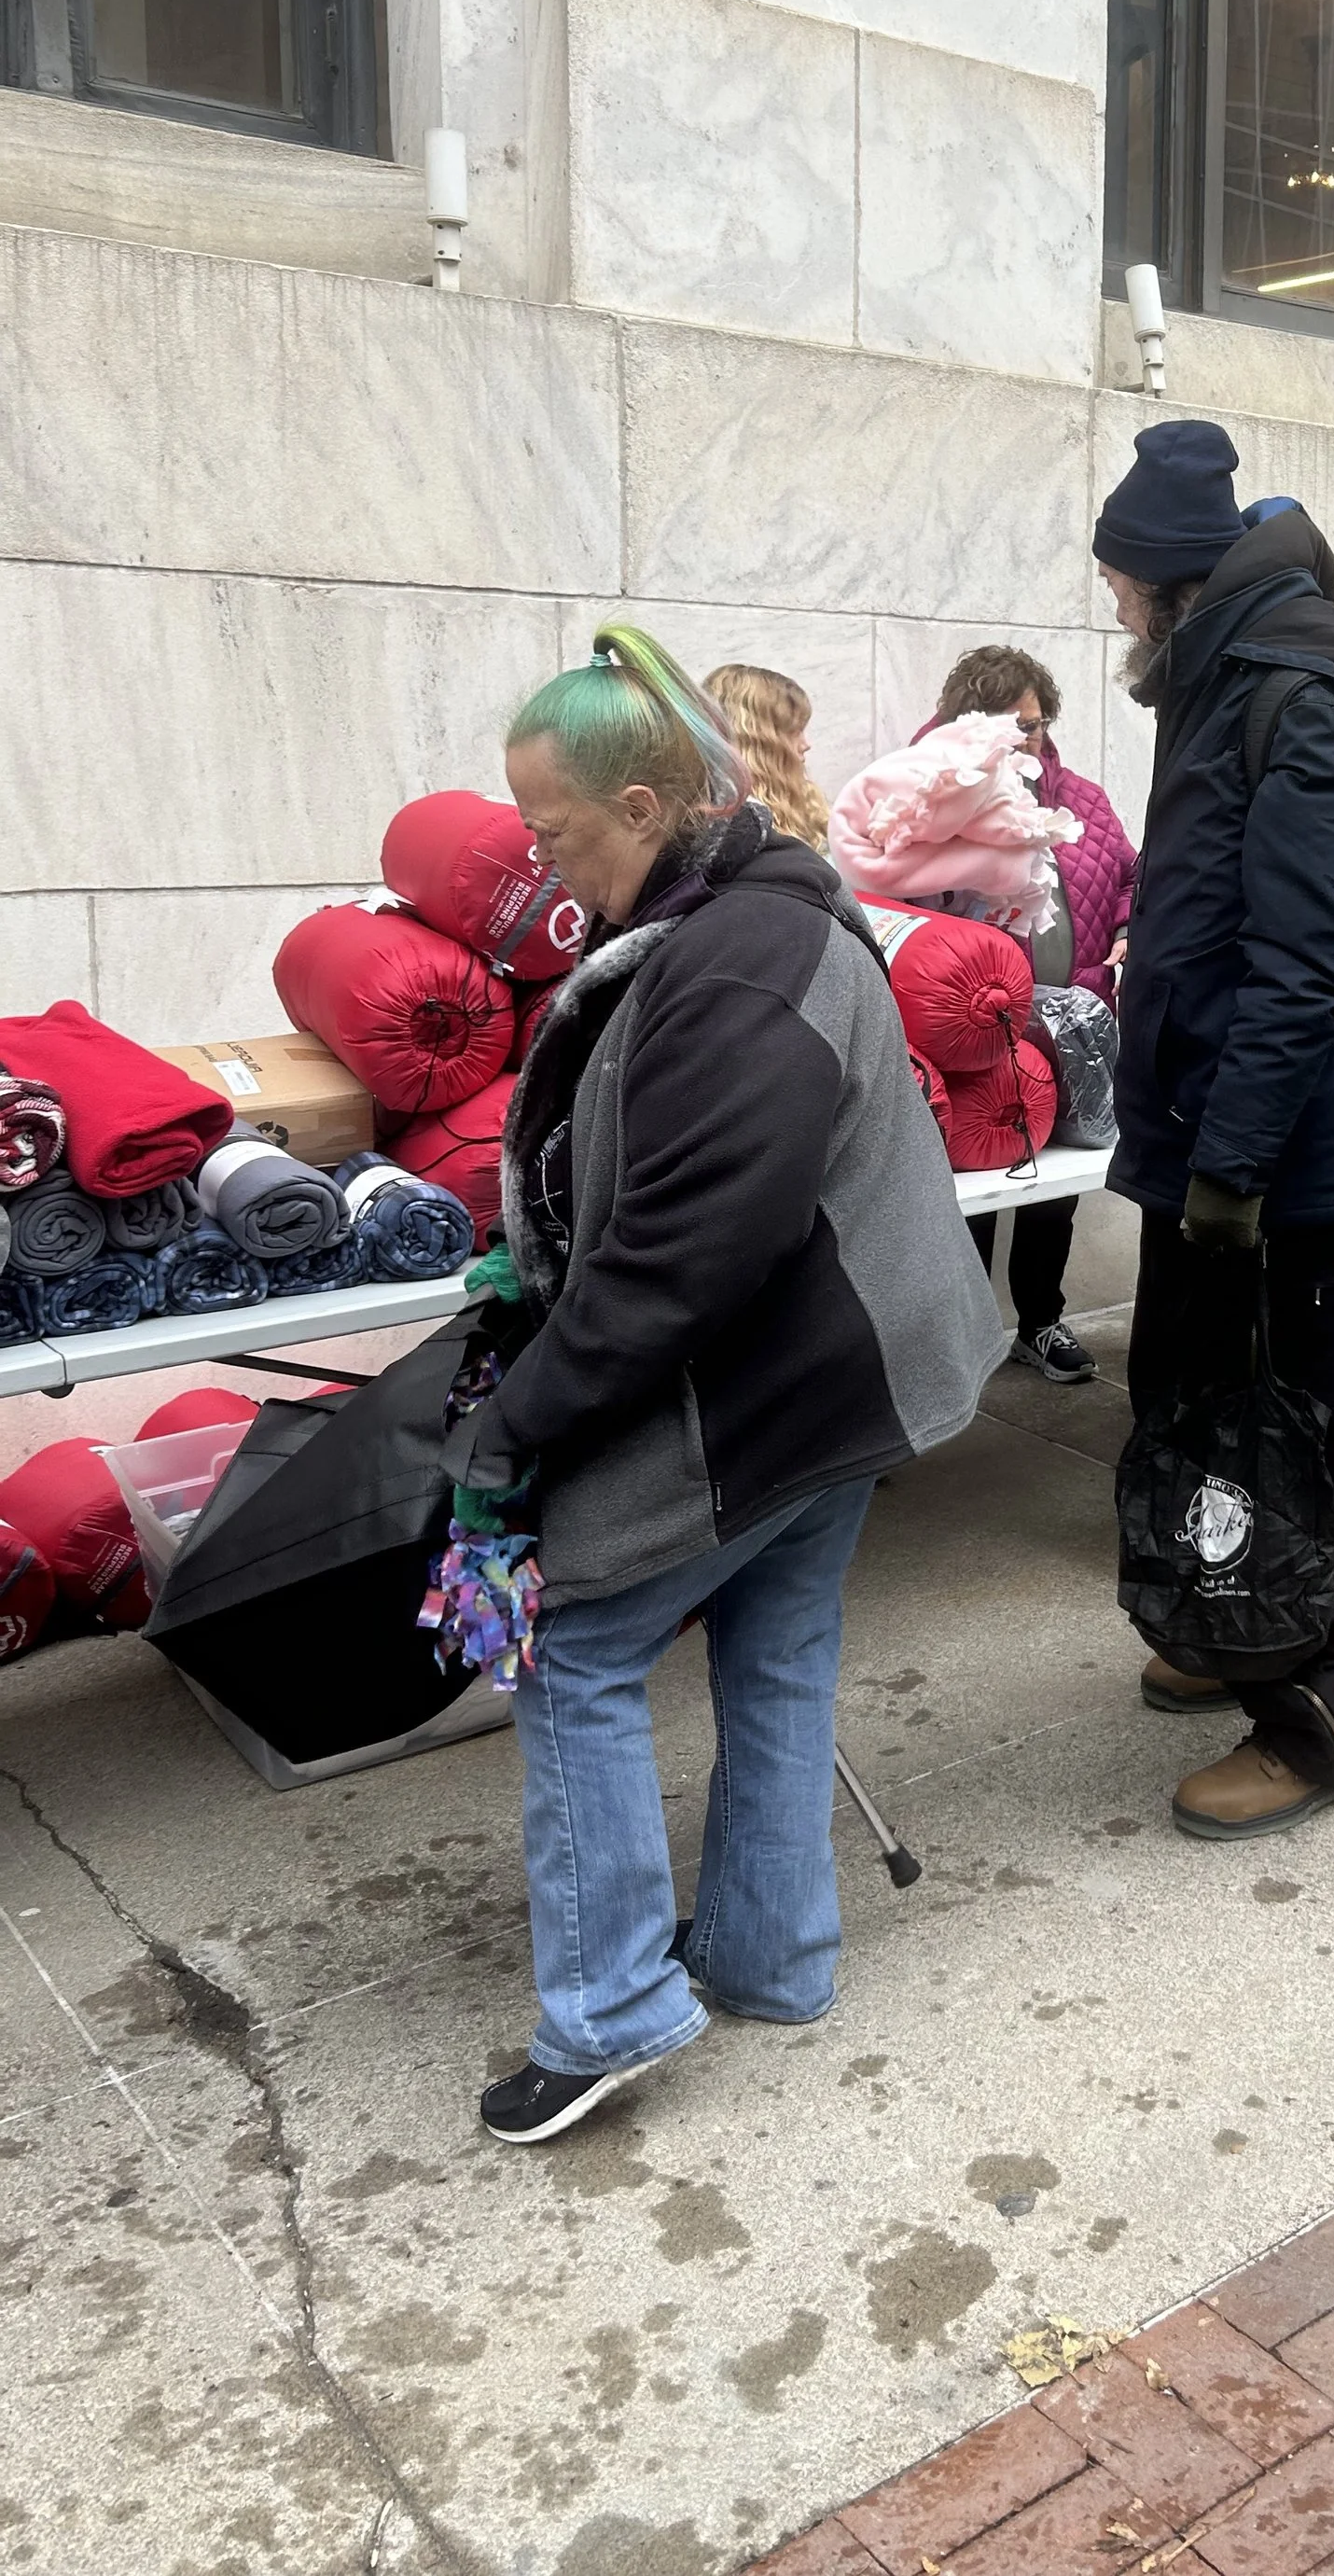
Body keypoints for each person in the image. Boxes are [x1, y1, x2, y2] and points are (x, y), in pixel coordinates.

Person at [446, 625, 1004, 2141]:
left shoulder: (744, 957)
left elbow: (681, 1263)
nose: (545, 860)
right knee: (774, 1642)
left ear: (645, 808)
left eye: (556, 827)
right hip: (841, 1379)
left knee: (571, 1650)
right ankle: (770, 1951)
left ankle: (614, 2004)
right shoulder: (732, 915)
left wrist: (517, 1428)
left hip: (792, 1380)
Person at [1097, 419, 1334, 1838]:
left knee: (1295, 1442)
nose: (1109, 604)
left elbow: (1307, 962)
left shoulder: (1291, 695)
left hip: (1290, 1168)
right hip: (1224, 1152)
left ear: (1174, 581)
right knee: (1195, 1418)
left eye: (1117, 580)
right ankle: (1225, 1622)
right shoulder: (1221, 675)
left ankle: (1322, 1729)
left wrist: (1233, 1166)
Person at [924, 646, 1140, 1386]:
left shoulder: (1081, 798)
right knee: (976, 1188)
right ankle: (965, 1339)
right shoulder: (928, 798)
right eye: (1010, 726)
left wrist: (1126, 927)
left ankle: (1039, 1321)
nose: (1028, 739)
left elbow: (1129, 875)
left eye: (1037, 723)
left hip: (1073, 1025)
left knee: (1057, 1186)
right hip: (975, 1026)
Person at [702, 662, 828, 850]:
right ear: (761, 743)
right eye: (794, 731)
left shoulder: (786, 809)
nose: (806, 745)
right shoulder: (740, 831)